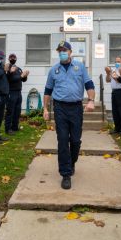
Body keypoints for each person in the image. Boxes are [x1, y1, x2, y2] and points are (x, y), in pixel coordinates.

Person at [43, 41, 95, 189]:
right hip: (60, 108)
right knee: (63, 139)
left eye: (64, 50)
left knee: (76, 140)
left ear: (71, 52)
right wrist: (45, 109)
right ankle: (65, 174)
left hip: (76, 108)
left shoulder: (80, 67)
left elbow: (89, 85)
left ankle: (71, 162)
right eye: (59, 51)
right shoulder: (54, 70)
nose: (62, 53)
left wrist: (91, 100)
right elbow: (47, 91)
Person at [4, 53, 29, 135]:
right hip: (11, 92)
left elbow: (23, 80)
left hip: (18, 92)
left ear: (16, 58)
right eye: (11, 57)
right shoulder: (8, 69)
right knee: (10, 111)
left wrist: (25, 76)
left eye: (14, 57)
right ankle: (8, 128)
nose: (12, 58)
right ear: (8, 58)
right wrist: (20, 76)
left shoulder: (18, 69)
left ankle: (15, 127)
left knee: (17, 111)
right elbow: (10, 79)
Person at [105, 56, 121, 135]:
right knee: (115, 111)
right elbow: (108, 80)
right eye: (115, 61)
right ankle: (117, 128)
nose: (117, 63)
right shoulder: (114, 70)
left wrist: (113, 75)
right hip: (114, 91)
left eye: (118, 61)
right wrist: (108, 74)